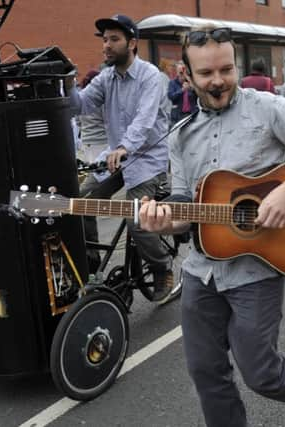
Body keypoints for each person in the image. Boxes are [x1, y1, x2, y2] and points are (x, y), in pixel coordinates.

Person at [138, 24, 285, 427]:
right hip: (201, 271)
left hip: (258, 268)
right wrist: (162, 223)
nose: (218, 81)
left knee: (261, 374)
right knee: (206, 373)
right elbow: (186, 210)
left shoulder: (268, 108)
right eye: (206, 74)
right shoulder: (180, 136)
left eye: (226, 69)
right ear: (187, 75)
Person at [69, 15, 174, 303]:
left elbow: (145, 118)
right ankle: (91, 265)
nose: (107, 45)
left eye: (114, 39)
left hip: (148, 160)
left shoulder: (150, 76)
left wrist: (125, 146)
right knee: (79, 202)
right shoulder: (106, 78)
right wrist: (65, 82)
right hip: (116, 157)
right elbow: (81, 105)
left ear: (132, 43)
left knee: (137, 221)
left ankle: (162, 266)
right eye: (104, 40)